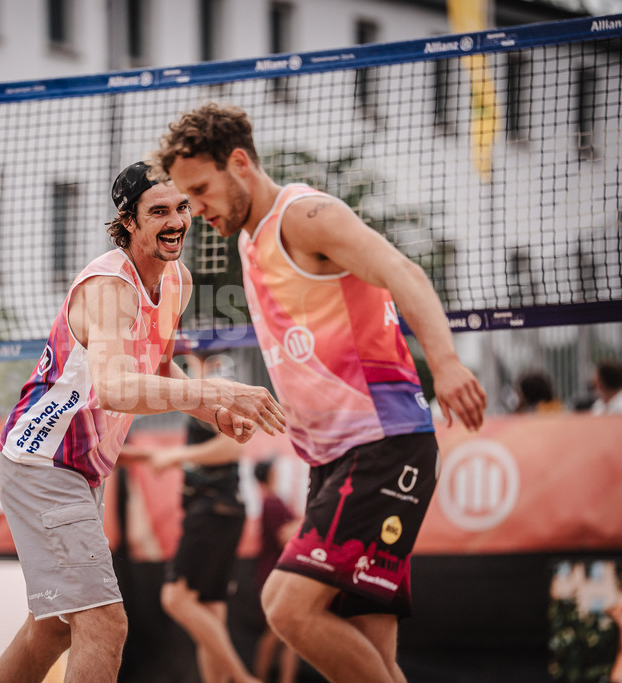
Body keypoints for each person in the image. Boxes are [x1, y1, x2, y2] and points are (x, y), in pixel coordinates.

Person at [156, 102, 487, 683]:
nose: (194, 210)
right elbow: (301, 349)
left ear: (240, 162)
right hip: (333, 459)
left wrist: (449, 362)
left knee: (286, 607)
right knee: (371, 651)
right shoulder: (248, 242)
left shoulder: (305, 215)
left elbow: (404, 272)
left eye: (200, 190)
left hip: (382, 445)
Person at [0, 161, 286, 683]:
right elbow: (118, 388)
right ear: (128, 221)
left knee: (54, 628)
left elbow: (155, 366)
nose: (176, 221)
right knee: (105, 624)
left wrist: (213, 413)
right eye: (159, 212)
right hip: (42, 461)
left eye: (181, 208)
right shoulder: (110, 288)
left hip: (79, 469)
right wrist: (217, 389)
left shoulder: (178, 281)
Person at [147, 350, 256, 683]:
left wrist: (178, 454)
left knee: (175, 598)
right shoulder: (200, 381)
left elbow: (235, 446)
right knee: (210, 614)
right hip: (221, 509)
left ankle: (242, 678)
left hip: (212, 509)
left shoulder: (217, 384)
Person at [251, 459, 300, 683]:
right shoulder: (271, 504)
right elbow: (284, 537)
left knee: (291, 638)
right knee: (273, 634)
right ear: (268, 474)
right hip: (274, 576)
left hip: (287, 576)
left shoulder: (277, 501)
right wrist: (307, 523)